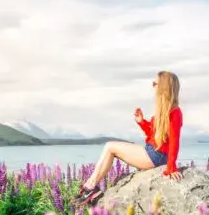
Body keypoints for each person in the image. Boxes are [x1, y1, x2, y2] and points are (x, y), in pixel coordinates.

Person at [75, 71, 183, 205]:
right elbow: (154, 136)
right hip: (153, 152)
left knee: (110, 147)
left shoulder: (175, 112)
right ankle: (91, 187)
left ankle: (90, 187)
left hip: (156, 156)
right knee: (111, 148)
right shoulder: (164, 111)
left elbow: (174, 141)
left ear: (163, 87)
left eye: (155, 83)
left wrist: (171, 167)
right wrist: (142, 121)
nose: (153, 86)